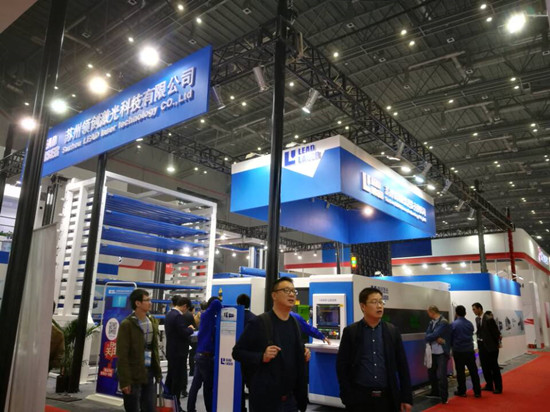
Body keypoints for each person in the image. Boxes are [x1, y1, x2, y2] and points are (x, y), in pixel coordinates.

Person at [232, 277, 311, 412]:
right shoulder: (259, 323)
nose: (291, 294)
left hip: (290, 399)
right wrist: (261, 356)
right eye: (286, 290)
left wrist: (303, 353)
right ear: (274, 295)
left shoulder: (295, 324)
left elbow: (293, 352)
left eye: (293, 291)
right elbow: (237, 352)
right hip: (266, 401)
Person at [336, 287, 412, 412]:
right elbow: (342, 366)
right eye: (374, 302)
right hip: (359, 397)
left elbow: (402, 365)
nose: (379, 306)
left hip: (387, 397)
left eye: (381, 302)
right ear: (363, 306)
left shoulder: (392, 331)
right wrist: (347, 394)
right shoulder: (351, 332)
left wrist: (406, 397)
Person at [116, 288, 162, 412]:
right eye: (147, 300)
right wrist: (125, 381)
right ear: (137, 303)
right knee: (132, 407)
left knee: (150, 407)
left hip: (149, 371)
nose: (150, 303)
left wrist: (157, 372)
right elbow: (122, 354)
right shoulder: (127, 324)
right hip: (133, 373)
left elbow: (154, 348)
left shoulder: (152, 321)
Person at [187, 296, 222, 412]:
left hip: (201, 355)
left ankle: (190, 409)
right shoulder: (207, 315)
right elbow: (216, 302)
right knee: (208, 387)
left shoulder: (208, 317)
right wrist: (227, 309)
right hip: (206, 357)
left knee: (196, 385)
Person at [165, 296, 195, 406]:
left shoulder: (169, 314)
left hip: (171, 350)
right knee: (177, 379)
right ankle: (175, 405)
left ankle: (168, 403)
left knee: (170, 377)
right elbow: (183, 332)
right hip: (179, 352)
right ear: (185, 306)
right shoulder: (178, 316)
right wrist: (190, 329)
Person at [450, 305, 481, 398]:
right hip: (469, 350)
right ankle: (477, 391)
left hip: (458, 351)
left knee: (460, 372)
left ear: (456, 313)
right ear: (465, 313)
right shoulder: (469, 324)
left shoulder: (453, 324)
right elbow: (471, 333)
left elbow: (451, 338)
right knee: (473, 371)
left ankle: (462, 391)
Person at [472, 302, 502, 394]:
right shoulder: (477, 319)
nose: (473, 311)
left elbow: (496, 333)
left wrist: (496, 345)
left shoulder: (489, 319)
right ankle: (489, 385)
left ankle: (498, 387)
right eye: (473, 309)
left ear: (480, 308)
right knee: (485, 367)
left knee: (494, 368)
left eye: (474, 309)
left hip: (491, 348)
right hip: (482, 347)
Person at [425, 305, 452, 404]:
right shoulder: (431, 322)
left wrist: (433, 336)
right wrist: (435, 337)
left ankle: (444, 397)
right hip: (433, 352)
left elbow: (433, 334)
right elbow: (427, 335)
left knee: (441, 375)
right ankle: (435, 392)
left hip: (442, 353)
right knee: (431, 373)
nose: (428, 314)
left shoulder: (443, 322)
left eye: (428, 312)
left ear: (432, 312)